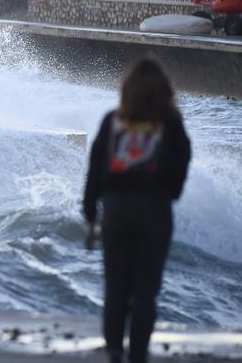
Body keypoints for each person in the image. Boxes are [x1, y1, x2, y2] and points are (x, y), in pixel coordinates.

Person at [83, 57, 191, 363]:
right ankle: (138, 355)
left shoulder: (112, 120)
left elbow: (94, 168)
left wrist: (90, 211)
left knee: (116, 287)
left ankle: (114, 352)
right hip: (155, 210)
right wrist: (171, 193)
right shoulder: (170, 124)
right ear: (164, 91)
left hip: (116, 210)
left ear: (127, 89)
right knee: (146, 290)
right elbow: (183, 160)